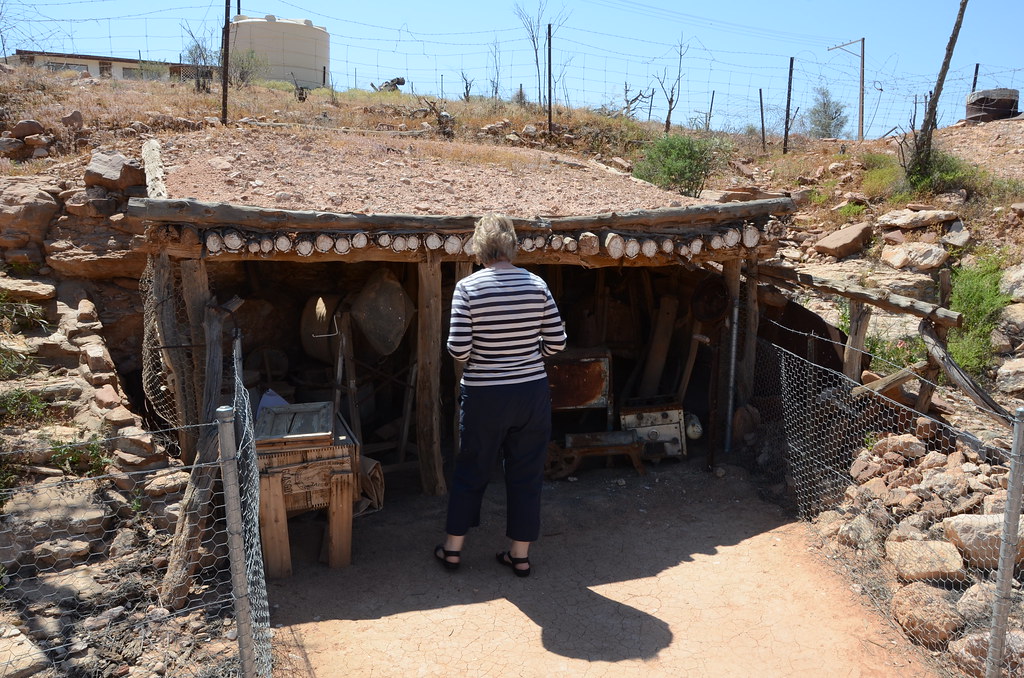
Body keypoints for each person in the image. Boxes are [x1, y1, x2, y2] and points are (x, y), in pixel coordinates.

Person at [435, 214, 567, 577]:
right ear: (512, 247)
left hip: (484, 395)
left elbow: (458, 349)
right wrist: (524, 354)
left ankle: (452, 550)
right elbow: (557, 342)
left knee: (472, 469)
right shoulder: (537, 284)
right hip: (530, 392)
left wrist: (488, 357)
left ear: (479, 249)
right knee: (526, 472)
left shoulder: (468, 288)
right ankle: (519, 556)